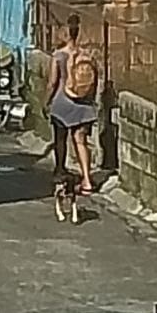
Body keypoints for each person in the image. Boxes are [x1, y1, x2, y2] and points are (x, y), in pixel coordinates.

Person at [45, 12, 99, 194]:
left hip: (62, 104)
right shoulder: (87, 55)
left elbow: (52, 82)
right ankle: (87, 180)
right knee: (81, 141)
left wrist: (47, 102)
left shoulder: (58, 56)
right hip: (83, 105)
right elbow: (94, 82)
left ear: (65, 33)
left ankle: (60, 170)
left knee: (60, 139)